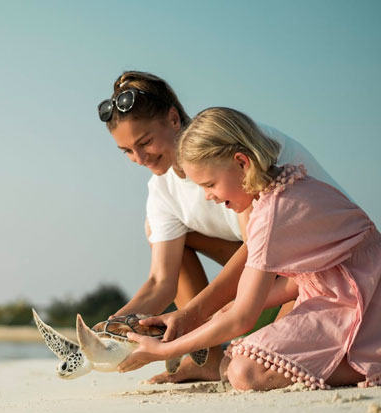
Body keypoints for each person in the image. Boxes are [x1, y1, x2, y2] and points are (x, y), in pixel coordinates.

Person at [99, 71, 346, 384]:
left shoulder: (240, 145)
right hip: (271, 274)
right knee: (163, 232)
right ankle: (207, 359)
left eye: (145, 142)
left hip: (318, 268)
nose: (139, 158)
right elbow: (161, 280)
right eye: (127, 151)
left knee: (253, 369)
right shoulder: (161, 188)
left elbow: (262, 245)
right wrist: (116, 326)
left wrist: (194, 315)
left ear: (173, 118)